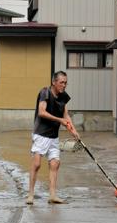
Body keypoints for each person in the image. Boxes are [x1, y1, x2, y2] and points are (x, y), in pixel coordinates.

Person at [27, 71, 80, 205]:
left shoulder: (63, 97)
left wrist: (73, 130)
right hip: (40, 134)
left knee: (55, 163)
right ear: (54, 82)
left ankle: (52, 196)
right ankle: (30, 194)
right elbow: (41, 112)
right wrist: (59, 120)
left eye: (66, 82)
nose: (64, 85)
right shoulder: (45, 92)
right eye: (61, 82)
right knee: (37, 164)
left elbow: (66, 116)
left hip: (53, 136)